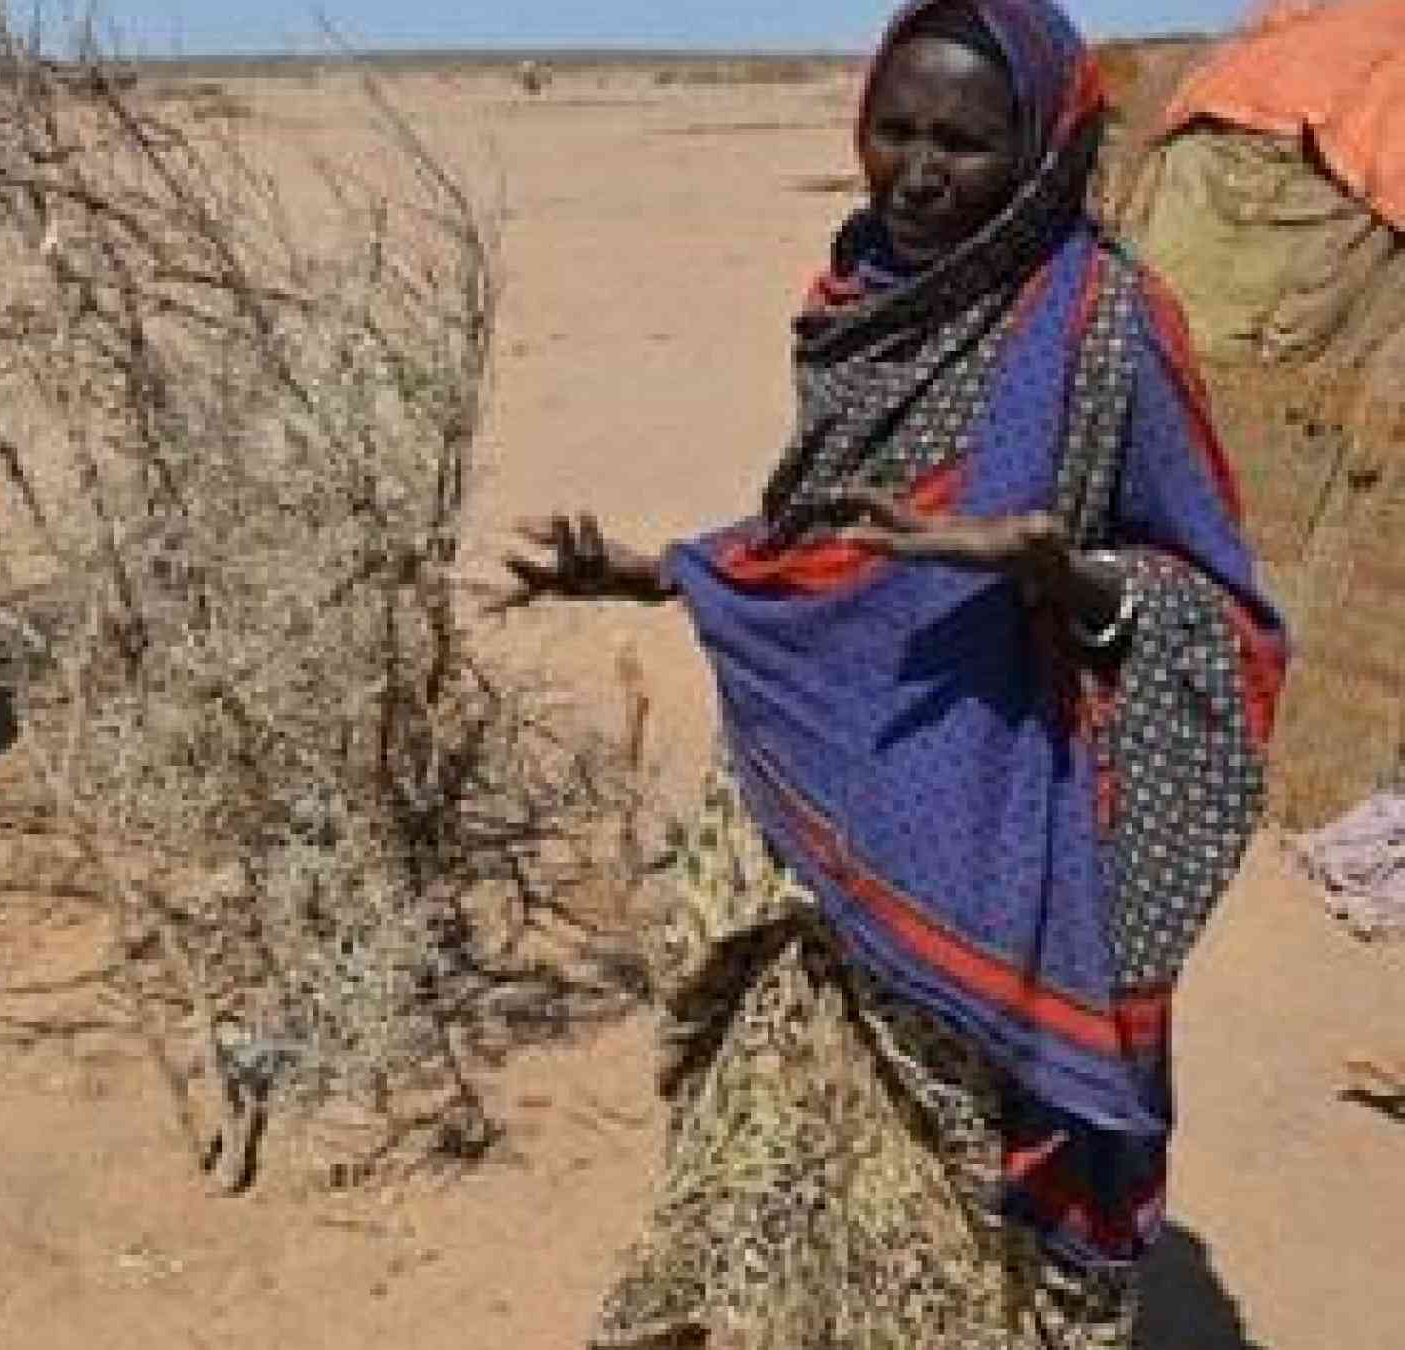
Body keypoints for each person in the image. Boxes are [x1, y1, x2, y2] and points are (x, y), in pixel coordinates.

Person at [496, 1, 1290, 1346]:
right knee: (776, 1127)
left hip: (993, 837)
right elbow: (823, 538)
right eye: (894, 129)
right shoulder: (863, 294)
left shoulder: (1109, 325)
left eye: (965, 143)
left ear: (1039, 152)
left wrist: (1060, 568)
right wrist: (652, 572)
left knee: (954, 1176)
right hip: (807, 797)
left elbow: (1229, 617)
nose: (917, 171)